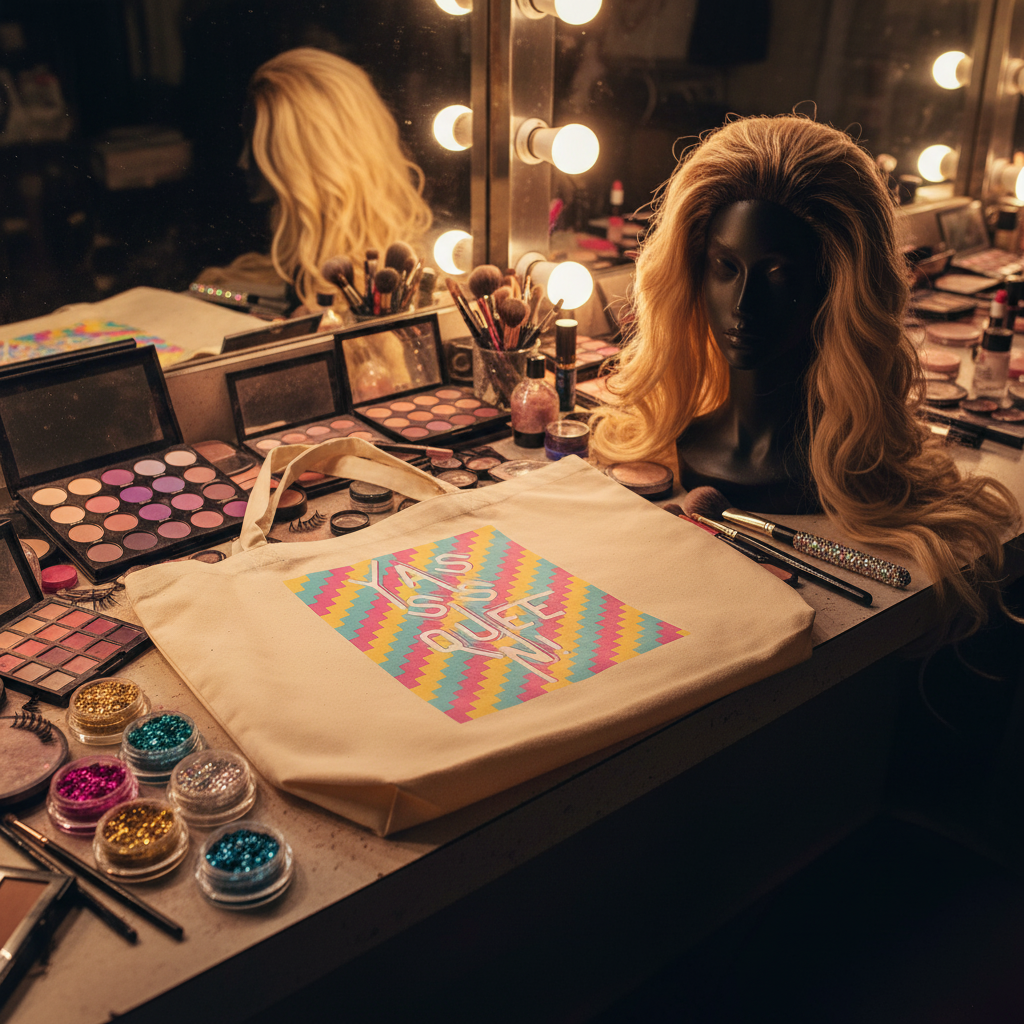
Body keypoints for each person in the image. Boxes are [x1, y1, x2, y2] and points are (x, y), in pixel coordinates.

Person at [591, 114, 1019, 629]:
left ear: (839, 288)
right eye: (726, 267)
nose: (743, 305)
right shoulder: (672, 441)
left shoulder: (844, 474)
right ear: (691, 271)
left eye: (780, 275)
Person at [239, 47, 432, 310]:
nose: (242, 162)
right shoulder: (299, 270)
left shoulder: (372, 294)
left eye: (256, 146)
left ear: (302, 161)